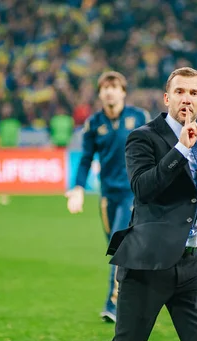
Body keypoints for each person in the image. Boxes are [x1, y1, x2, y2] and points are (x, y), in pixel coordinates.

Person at [73, 67, 197, 341]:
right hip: (149, 264)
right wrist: (178, 150)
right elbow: (143, 188)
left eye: (194, 93)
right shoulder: (143, 137)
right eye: (180, 92)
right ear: (167, 99)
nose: (186, 99)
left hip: (192, 264)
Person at [65, 71, 150, 323]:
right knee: (124, 252)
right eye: (105, 88)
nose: (110, 91)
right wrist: (78, 188)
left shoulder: (139, 117)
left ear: (123, 92)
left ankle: (112, 306)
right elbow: (85, 158)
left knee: (119, 247)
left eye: (114, 87)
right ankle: (143, 297)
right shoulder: (93, 124)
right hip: (108, 198)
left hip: (132, 195)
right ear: (100, 93)